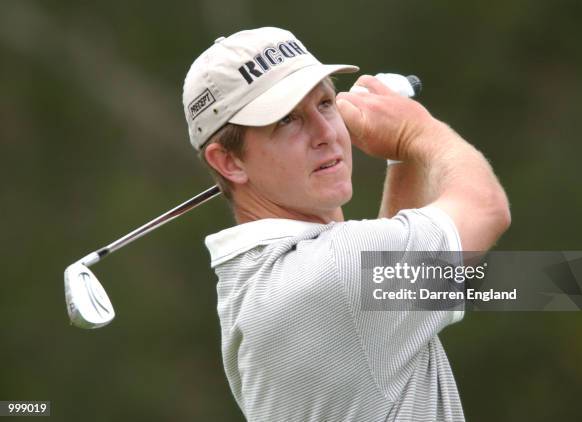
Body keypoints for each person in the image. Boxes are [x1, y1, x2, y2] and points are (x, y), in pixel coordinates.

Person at [182, 27, 510, 421]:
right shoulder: (333, 274)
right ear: (229, 162)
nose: (326, 133)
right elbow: (486, 208)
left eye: (324, 103)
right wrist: (414, 130)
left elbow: (384, 309)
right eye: (287, 120)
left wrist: (402, 158)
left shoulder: (258, 281)